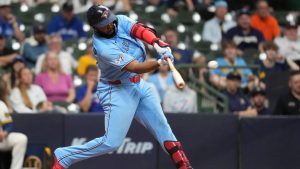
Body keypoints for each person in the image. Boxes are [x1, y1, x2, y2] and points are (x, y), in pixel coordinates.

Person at [52, 5, 193, 169]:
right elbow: (134, 67)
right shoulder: (102, 47)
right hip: (117, 90)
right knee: (111, 143)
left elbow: (139, 30)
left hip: (138, 84)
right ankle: (64, 156)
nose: (110, 25)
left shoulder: (120, 21)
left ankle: (184, 165)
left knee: (163, 128)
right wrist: (159, 62)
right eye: (104, 23)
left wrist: (157, 43)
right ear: (94, 27)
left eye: (109, 20)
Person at [0, 80, 28, 169]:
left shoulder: (1, 104)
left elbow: (8, 125)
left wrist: (5, 133)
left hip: (1, 139)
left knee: (21, 139)